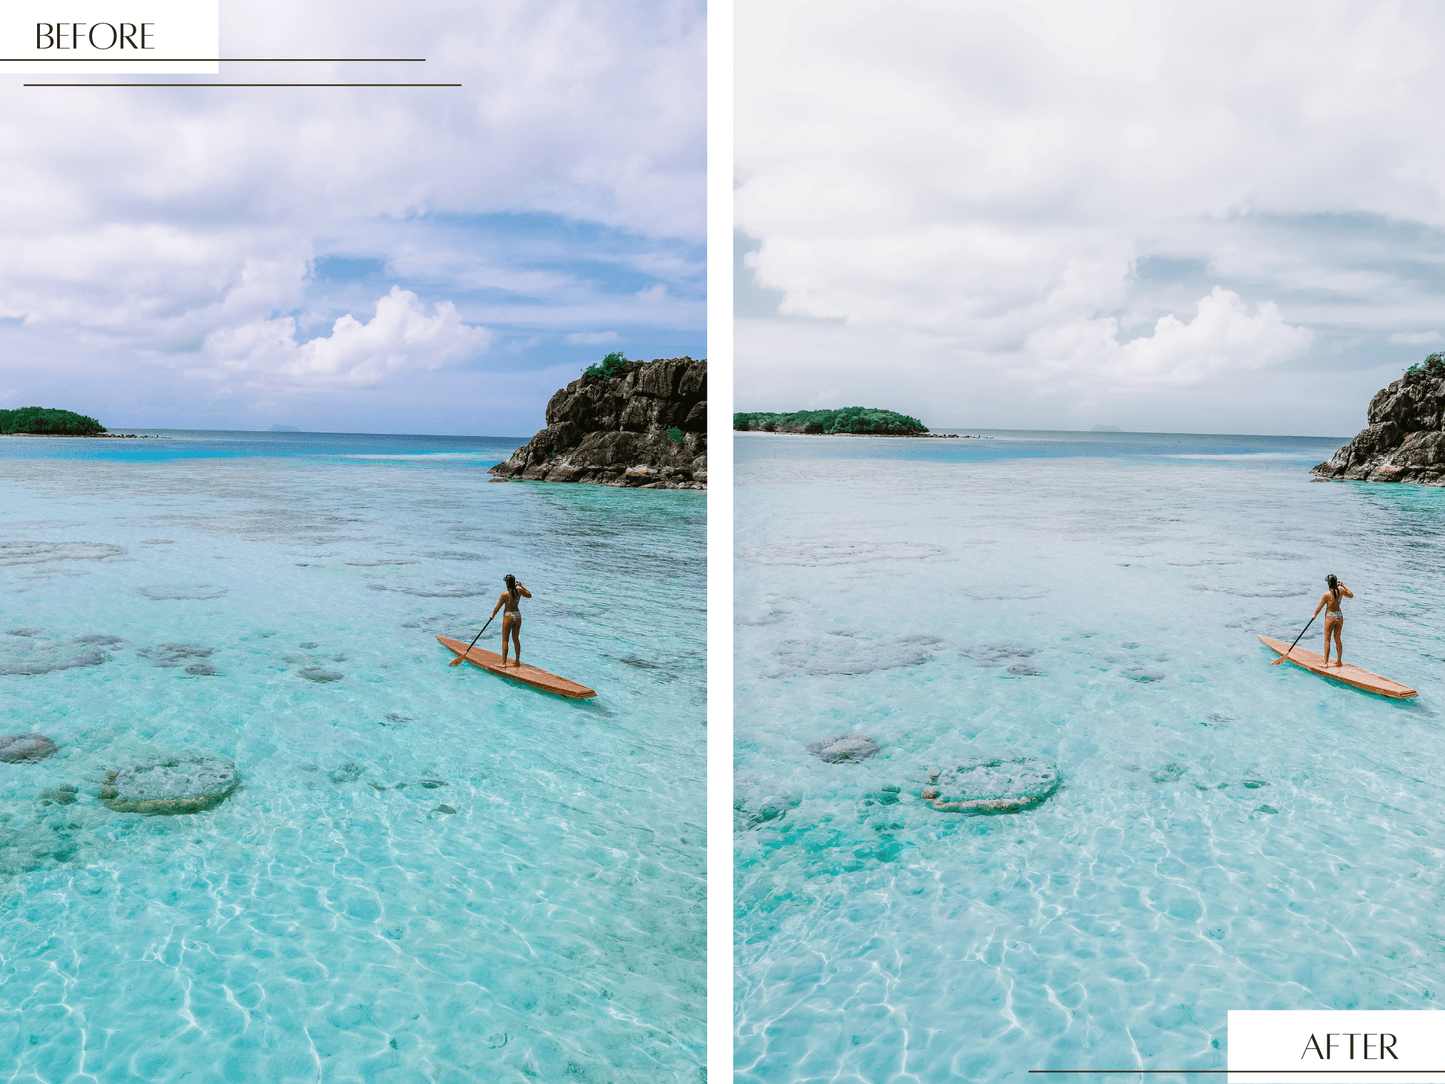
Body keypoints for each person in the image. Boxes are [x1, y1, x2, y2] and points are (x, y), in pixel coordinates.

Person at [487, 573, 531, 667]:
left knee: (505, 640)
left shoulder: (505, 594)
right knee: (516, 639)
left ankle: (503, 663)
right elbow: (529, 595)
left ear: (507, 583)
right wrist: (521, 585)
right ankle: (517, 661)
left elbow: (497, 608)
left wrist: (492, 615)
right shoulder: (519, 591)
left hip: (508, 616)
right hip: (517, 616)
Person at [1312, 573, 1353, 667]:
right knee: (1337, 639)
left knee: (1327, 639)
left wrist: (1314, 615)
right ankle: (1339, 661)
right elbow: (1351, 595)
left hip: (1330, 616)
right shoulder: (1341, 591)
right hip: (1339, 616)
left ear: (1329, 583)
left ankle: (1325, 663)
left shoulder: (1326, 594)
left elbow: (1320, 607)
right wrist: (1343, 585)